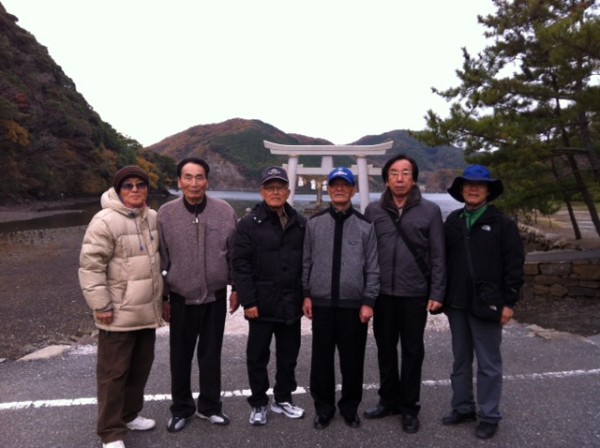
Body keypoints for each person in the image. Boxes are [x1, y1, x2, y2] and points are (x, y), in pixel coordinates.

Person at [79, 166, 163, 448]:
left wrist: (163, 301)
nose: (135, 189)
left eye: (141, 184)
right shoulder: (104, 221)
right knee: (112, 375)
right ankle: (110, 433)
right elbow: (91, 267)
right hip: (116, 313)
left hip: (146, 311)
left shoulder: (152, 217)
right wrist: (101, 305)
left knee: (140, 369)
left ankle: (129, 415)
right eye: (128, 185)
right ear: (118, 190)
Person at [363, 154, 446, 434]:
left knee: (412, 351)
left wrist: (437, 292)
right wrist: (366, 293)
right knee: (385, 349)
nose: (400, 178)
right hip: (383, 293)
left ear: (413, 178)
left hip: (414, 292)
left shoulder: (430, 211)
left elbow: (438, 255)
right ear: (386, 179)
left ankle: (409, 406)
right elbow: (366, 254)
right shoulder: (373, 210)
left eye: (406, 173)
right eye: (394, 173)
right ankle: (388, 400)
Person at [441, 165, 524, 439]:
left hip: (489, 302)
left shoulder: (502, 223)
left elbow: (514, 264)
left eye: (479, 185)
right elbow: (442, 260)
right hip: (457, 302)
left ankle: (489, 415)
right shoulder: (453, 221)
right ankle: (463, 406)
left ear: (488, 190)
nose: (473, 189)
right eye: (468, 184)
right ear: (462, 190)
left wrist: (509, 302)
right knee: (460, 359)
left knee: (489, 363)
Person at [158, 157, 239, 433]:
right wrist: (164, 298)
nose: (194, 183)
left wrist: (236, 288)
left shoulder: (224, 211)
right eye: (188, 177)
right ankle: (181, 408)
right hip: (180, 297)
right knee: (180, 357)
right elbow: (161, 258)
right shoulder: (166, 214)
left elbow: (234, 254)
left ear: (207, 181)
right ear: (179, 181)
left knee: (210, 355)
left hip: (215, 296)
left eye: (199, 177)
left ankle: (210, 407)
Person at [302, 167, 380, 430]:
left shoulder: (365, 226)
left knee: (352, 361)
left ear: (353, 190)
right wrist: (306, 294)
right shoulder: (314, 223)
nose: (339, 189)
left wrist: (368, 301)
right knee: (321, 362)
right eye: (334, 185)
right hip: (322, 304)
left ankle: (350, 407)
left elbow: (373, 268)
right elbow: (306, 262)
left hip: (353, 306)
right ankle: (323, 408)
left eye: (345, 185)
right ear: (328, 189)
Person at [232, 166, 307, 426]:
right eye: (270, 187)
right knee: (257, 356)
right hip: (261, 304)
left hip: (291, 302)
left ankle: (283, 398)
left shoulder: (300, 223)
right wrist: (249, 301)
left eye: (280, 187)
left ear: (288, 191)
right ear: (262, 192)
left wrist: (306, 296)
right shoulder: (248, 224)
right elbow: (240, 265)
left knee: (288, 355)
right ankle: (259, 402)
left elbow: (306, 263)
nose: (275, 192)